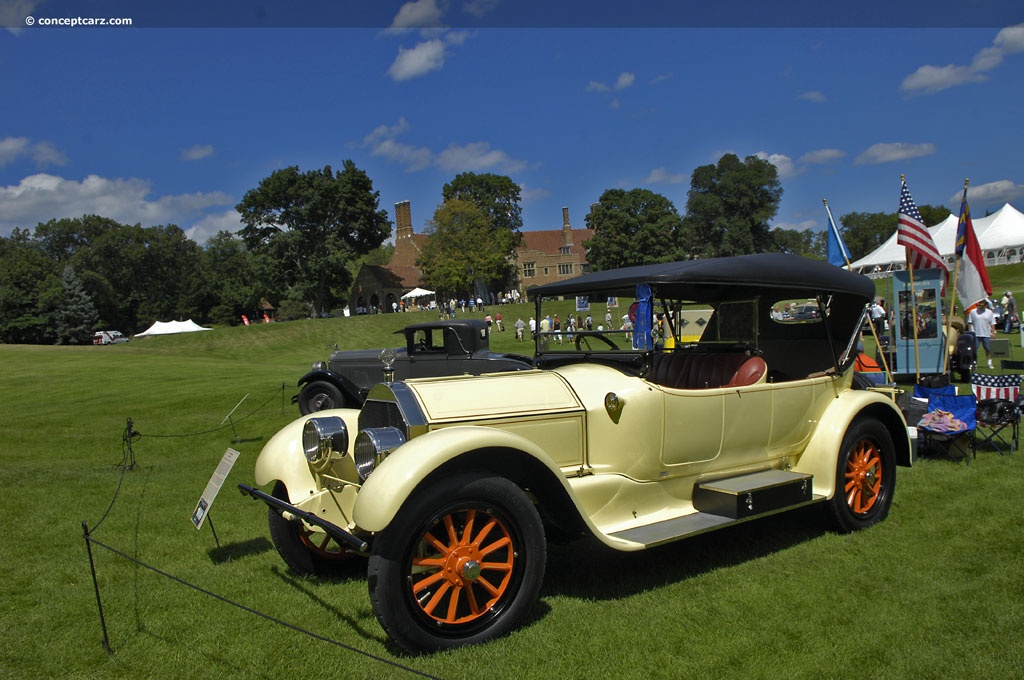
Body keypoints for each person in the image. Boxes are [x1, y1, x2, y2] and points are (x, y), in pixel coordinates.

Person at [968, 299, 997, 369]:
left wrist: (993, 333)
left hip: (986, 334)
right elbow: (970, 322)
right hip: (976, 334)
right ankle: (974, 363)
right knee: (974, 350)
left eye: (982, 304)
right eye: (979, 304)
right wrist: (971, 332)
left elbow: (992, 323)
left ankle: (989, 362)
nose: (980, 305)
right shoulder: (973, 312)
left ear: (985, 305)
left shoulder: (989, 312)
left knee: (988, 349)